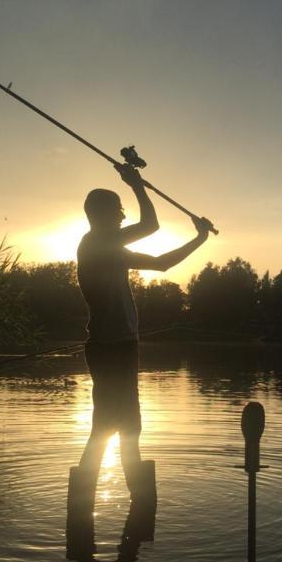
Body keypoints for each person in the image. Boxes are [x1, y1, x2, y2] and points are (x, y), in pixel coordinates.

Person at [72, 163, 211, 499]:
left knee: (119, 424)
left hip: (118, 346)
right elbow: (151, 224)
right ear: (102, 214)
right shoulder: (96, 243)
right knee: (114, 424)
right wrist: (136, 184)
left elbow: (162, 263)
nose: (122, 217)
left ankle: (105, 501)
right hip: (112, 347)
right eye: (118, 211)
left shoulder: (109, 251)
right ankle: (125, 505)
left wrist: (199, 239)